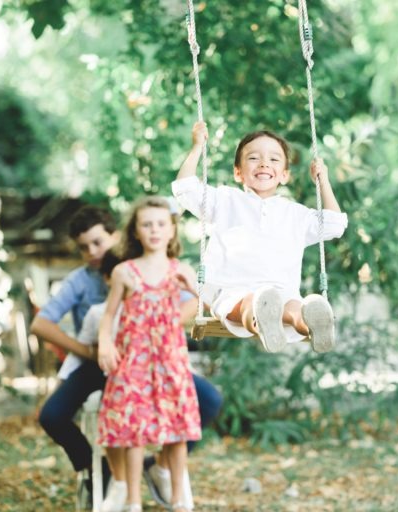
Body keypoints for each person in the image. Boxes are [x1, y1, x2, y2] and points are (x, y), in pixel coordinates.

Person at [31, 205, 221, 510]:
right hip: (103, 363)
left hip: (157, 357)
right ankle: (102, 472)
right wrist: (94, 351)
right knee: (54, 415)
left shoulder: (157, 266)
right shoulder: (87, 278)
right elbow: (44, 323)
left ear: (116, 236)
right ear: (137, 230)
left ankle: (158, 465)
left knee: (207, 402)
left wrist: (168, 320)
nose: (92, 252)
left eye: (97, 242)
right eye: (83, 247)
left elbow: (195, 303)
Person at [172, 121, 349, 354]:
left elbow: (334, 224)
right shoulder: (225, 200)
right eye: (254, 158)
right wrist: (197, 147)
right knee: (252, 305)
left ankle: (311, 323)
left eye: (274, 159)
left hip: (280, 290)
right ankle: (269, 319)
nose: (264, 162)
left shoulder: (295, 213)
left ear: (284, 174)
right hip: (232, 289)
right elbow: (185, 188)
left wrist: (323, 180)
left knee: (292, 307)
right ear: (238, 172)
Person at [97, 196, 201, 512]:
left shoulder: (179, 269)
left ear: (172, 231)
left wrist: (193, 287)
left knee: (178, 429)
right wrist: (105, 343)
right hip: (135, 361)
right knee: (134, 430)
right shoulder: (124, 272)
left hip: (170, 360)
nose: (154, 230)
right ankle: (132, 501)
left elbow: (206, 304)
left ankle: (178, 500)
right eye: (146, 224)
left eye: (161, 224)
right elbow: (108, 314)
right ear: (136, 232)